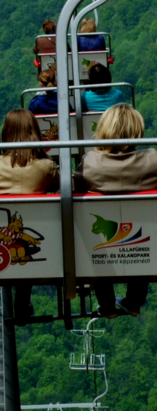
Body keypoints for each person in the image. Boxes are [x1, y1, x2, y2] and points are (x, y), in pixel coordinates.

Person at [0, 109, 60, 324]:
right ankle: (22, 301)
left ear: (7, 133)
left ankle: (18, 300)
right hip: (42, 239)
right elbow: (68, 189)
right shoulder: (46, 168)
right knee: (35, 228)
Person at [73, 104, 157, 318]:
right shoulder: (153, 159)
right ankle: (134, 301)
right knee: (145, 229)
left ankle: (107, 304)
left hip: (101, 247)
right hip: (143, 243)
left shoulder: (90, 162)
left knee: (91, 238)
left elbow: (75, 191)